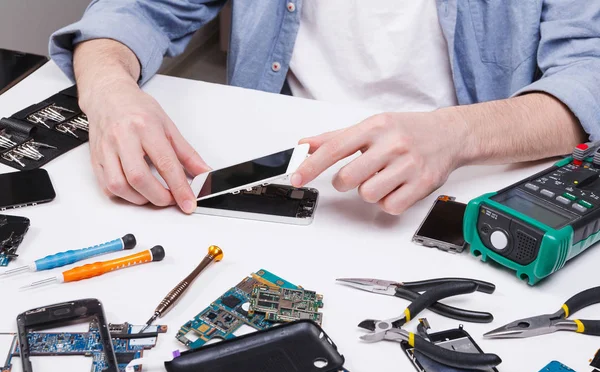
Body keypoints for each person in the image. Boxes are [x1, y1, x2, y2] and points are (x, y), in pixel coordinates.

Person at [49, 1, 599, 215]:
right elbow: (138, 10)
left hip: (466, 179)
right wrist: (108, 92)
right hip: (278, 167)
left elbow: (590, 73)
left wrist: (459, 134)